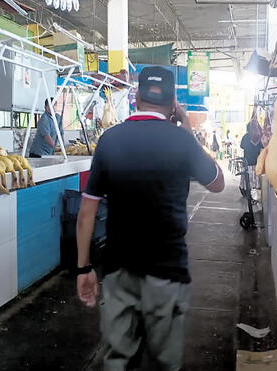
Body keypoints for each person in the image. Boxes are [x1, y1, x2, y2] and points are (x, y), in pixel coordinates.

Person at [75, 66, 225, 371]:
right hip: (168, 272)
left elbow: (86, 213)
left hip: (119, 271)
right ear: (173, 105)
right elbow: (218, 182)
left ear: (136, 99)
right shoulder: (182, 141)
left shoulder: (110, 140)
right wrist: (186, 127)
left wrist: (84, 268)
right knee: (164, 363)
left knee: (119, 360)